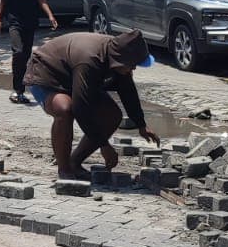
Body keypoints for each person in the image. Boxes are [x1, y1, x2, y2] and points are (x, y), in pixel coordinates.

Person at [23, 29, 159, 179]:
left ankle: (75, 162)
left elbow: (128, 91)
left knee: (112, 115)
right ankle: (64, 170)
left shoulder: (118, 56)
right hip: (47, 73)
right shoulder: (89, 60)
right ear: (121, 60)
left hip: (74, 77)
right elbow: (81, 109)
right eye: (133, 65)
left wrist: (141, 125)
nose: (133, 68)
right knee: (65, 109)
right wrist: (104, 145)